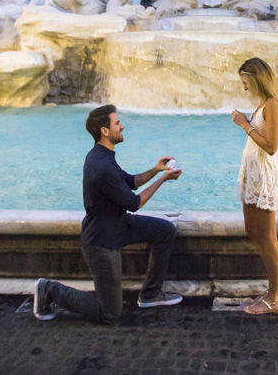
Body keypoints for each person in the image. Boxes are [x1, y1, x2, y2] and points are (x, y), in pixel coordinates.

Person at [33, 104, 183, 324]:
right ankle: (49, 289)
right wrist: (163, 180)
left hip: (119, 225)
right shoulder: (100, 165)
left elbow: (130, 182)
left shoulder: (103, 155)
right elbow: (134, 203)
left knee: (165, 231)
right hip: (102, 241)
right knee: (110, 314)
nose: (122, 126)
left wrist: (156, 169)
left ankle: (151, 294)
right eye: (117, 123)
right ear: (105, 130)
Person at [231, 58, 278, 315]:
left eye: (246, 82)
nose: (245, 88)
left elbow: (271, 146)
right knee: (254, 232)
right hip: (253, 173)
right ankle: (276, 287)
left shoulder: (273, 104)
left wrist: (244, 124)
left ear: (256, 78)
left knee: (266, 236)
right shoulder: (263, 104)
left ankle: (274, 296)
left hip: (264, 175)